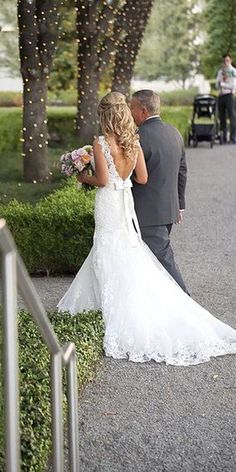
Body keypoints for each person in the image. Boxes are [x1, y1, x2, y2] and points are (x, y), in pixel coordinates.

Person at [57, 91, 236, 366]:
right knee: (125, 250)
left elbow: (103, 180)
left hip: (109, 203)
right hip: (126, 201)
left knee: (106, 247)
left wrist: (84, 175)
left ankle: (122, 309)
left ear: (104, 116)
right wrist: (123, 176)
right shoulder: (134, 141)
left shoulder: (101, 143)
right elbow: (143, 177)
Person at [130, 89, 188, 294]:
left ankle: (186, 302)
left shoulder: (136, 138)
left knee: (164, 260)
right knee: (151, 259)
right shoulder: (174, 132)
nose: (130, 113)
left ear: (143, 111)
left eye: (132, 109)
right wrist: (180, 205)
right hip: (168, 209)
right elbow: (182, 171)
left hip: (147, 213)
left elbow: (128, 174)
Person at [216, 54, 236, 144]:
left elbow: (233, 85)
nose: (225, 62)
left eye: (227, 60)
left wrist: (223, 84)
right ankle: (223, 137)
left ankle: (233, 137)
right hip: (221, 96)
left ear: (230, 61)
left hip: (229, 95)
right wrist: (220, 81)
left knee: (232, 116)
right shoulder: (220, 72)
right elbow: (217, 85)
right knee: (222, 117)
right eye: (224, 61)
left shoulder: (233, 71)